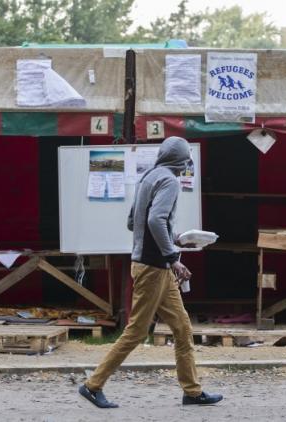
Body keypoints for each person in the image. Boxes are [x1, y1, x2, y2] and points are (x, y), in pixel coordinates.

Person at [79, 136, 223, 408]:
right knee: (136, 331)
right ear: (180, 160)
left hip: (155, 266)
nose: (185, 167)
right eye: (185, 162)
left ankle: (192, 392)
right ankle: (92, 385)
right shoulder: (168, 180)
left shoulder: (149, 177)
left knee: (182, 327)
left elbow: (134, 222)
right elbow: (155, 219)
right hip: (154, 267)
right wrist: (173, 257)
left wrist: (176, 238)